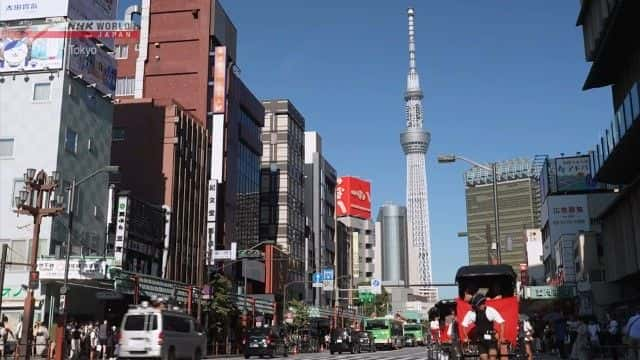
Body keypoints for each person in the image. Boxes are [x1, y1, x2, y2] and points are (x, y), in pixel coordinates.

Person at [462, 293, 506, 360]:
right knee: (484, 358)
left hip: (491, 338)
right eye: (481, 304)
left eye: (483, 303)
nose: (483, 305)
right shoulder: (471, 313)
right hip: (480, 339)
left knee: (492, 357)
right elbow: (464, 325)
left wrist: (502, 336)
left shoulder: (490, 310)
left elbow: (502, 322)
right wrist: (466, 337)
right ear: (476, 305)